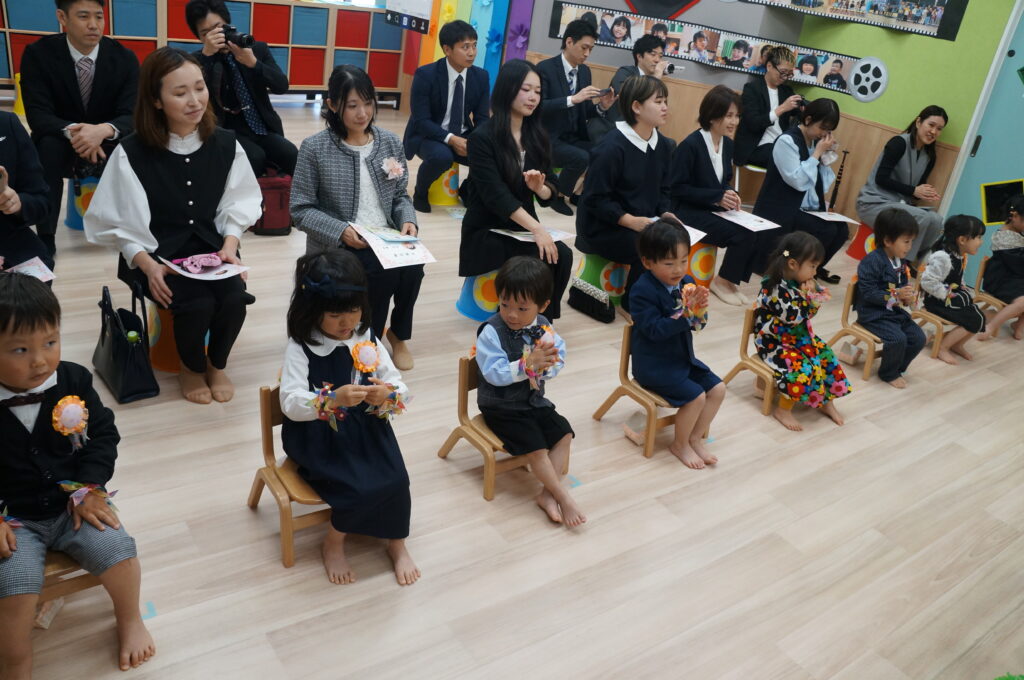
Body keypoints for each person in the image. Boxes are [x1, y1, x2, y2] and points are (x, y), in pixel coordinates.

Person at [84, 48, 262, 404]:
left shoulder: (226, 143)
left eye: (199, 88)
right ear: (156, 100)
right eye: (180, 93)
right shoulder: (132, 152)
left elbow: (239, 202)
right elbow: (116, 223)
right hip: (156, 253)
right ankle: (191, 368)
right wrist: (148, 266)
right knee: (196, 304)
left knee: (233, 299)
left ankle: (216, 364)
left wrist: (230, 247)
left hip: (213, 248)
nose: (194, 100)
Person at [0, 272, 155, 675]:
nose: (40, 360)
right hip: (13, 519)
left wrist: (89, 488)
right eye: (20, 349)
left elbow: (103, 435)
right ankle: (16, 660)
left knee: (120, 553)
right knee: (13, 591)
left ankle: (130, 619)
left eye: (50, 342)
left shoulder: (74, 379)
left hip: (74, 504)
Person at [280, 250, 419, 586]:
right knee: (357, 486)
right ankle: (334, 542)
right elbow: (290, 403)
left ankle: (397, 543)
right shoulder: (302, 346)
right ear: (312, 310)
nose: (347, 323)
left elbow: (398, 384)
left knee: (397, 480)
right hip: (318, 435)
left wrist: (387, 393)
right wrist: (331, 399)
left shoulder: (366, 337)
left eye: (354, 311)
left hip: (367, 427)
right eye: (335, 315)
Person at [291, 66, 421, 371]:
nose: (362, 113)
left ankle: (398, 335)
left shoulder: (389, 142)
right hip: (340, 243)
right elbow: (300, 209)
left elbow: (400, 195)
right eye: (352, 105)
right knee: (380, 272)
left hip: (385, 234)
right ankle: (370, 340)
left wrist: (408, 220)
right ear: (333, 105)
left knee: (413, 268)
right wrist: (341, 231)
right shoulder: (315, 148)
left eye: (368, 103)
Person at [20, 0, 139, 259]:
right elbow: (38, 115)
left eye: (99, 16)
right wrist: (80, 133)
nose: (94, 25)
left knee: (139, 146)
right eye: (84, 16)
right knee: (46, 148)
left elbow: (131, 114)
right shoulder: (38, 54)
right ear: (62, 17)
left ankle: (134, 229)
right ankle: (46, 236)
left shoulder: (125, 58)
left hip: (108, 139)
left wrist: (102, 131)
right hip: (62, 137)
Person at [474, 256, 585, 527]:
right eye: (505, 304)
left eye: (522, 308)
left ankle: (546, 495)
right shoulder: (491, 332)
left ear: (542, 305)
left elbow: (558, 356)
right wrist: (526, 366)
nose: (512, 314)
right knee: (537, 449)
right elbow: (494, 374)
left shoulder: (543, 325)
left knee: (564, 434)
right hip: (501, 407)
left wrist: (546, 367)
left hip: (533, 401)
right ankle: (563, 496)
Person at [460, 60, 573, 319]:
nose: (533, 97)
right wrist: (538, 229)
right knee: (539, 255)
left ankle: (543, 320)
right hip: (487, 228)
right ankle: (519, 318)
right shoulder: (482, 138)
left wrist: (540, 188)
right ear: (507, 89)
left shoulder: (537, 136)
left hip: (520, 227)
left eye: (538, 91)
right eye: (526, 89)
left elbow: (552, 188)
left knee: (562, 255)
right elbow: (496, 196)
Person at [629, 221, 725, 469]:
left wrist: (699, 312)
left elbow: (698, 324)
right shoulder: (641, 291)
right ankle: (679, 444)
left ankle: (694, 439)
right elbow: (653, 331)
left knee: (718, 389)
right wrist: (685, 315)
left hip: (682, 358)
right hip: (654, 366)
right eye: (669, 263)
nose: (679, 269)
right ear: (647, 262)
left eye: (684, 260)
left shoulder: (687, 282)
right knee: (696, 397)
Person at [576, 76, 675, 312]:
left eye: (665, 101)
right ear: (636, 107)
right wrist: (629, 221)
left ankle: (661, 296)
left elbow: (664, 189)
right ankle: (633, 304)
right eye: (658, 102)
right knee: (649, 246)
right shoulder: (611, 147)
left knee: (675, 239)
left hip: (644, 222)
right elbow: (595, 200)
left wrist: (665, 212)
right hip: (604, 225)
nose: (665, 107)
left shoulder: (665, 145)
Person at [671, 85, 761, 305]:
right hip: (687, 212)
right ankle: (721, 281)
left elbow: (723, 181)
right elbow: (677, 188)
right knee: (741, 235)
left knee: (755, 230)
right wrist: (716, 197)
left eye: (737, 116)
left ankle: (730, 281)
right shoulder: (691, 145)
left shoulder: (727, 144)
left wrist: (731, 194)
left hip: (709, 207)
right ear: (712, 116)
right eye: (729, 116)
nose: (734, 122)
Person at [185, 0, 297, 177]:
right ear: (199, 38)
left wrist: (253, 64)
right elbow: (192, 94)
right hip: (226, 130)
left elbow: (281, 86)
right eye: (206, 33)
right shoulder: (196, 61)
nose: (216, 36)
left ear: (229, 25)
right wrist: (206, 58)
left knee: (290, 153)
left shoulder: (255, 49)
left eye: (218, 28)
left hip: (262, 128)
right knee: (254, 158)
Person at [754, 232, 851, 431]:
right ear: (792, 264)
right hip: (773, 342)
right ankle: (783, 409)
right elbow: (793, 317)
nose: (815, 272)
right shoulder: (773, 288)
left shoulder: (798, 282)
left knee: (826, 355)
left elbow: (807, 315)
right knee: (802, 368)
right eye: (812, 266)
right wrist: (810, 298)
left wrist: (811, 297)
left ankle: (827, 401)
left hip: (796, 338)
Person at [752, 98, 848, 285]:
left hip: (804, 207)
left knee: (841, 230)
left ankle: (811, 268)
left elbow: (821, 186)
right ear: (808, 119)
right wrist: (817, 154)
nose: (824, 134)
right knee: (826, 229)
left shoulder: (813, 143)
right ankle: (794, 270)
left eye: (829, 131)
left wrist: (825, 157)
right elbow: (797, 181)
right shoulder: (787, 140)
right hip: (782, 208)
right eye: (822, 128)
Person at [403, 20, 490, 214]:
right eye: (465, 47)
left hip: (462, 132)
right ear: (447, 49)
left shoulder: (481, 77)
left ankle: (467, 190)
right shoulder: (425, 75)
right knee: (442, 156)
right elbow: (421, 120)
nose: (472, 52)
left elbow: (483, 118)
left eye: (474, 45)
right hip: (428, 134)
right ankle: (421, 192)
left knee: (492, 151)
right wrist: (451, 139)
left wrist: (476, 141)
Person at [537, 20, 616, 214]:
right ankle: (557, 195)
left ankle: (579, 193)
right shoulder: (545, 68)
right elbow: (539, 107)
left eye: (591, 49)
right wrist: (572, 99)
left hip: (573, 136)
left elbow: (585, 109)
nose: (587, 54)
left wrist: (602, 107)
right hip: (547, 138)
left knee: (603, 152)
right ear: (569, 42)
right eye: (584, 47)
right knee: (580, 157)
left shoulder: (585, 72)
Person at [856, 105, 947, 265]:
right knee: (922, 217)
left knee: (936, 220)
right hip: (873, 203)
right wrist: (914, 190)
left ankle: (912, 261)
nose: (934, 131)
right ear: (918, 122)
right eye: (931, 125)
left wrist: (925, 192)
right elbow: (881, 179)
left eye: (939, 129)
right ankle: (902, 263)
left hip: (900, 206)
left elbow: (915, 192)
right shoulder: (898, 143)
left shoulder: (930, 156)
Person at [854, 208, 926, 388]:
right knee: (897, 339)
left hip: (892, 312)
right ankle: (888, 374)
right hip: (872, 314)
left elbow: (901, 285)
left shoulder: (900, 261)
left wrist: (907, 296)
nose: (910, 246)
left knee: (919, 338)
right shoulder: (872, 261)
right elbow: (868, 293)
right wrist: (896, 295)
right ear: (887, 241)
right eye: (906, 241)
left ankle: (897, 367)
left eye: (911, 241)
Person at [919, 214, 986, 364]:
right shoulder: (942, 257)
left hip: (949, 299)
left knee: (979, 317)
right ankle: (942, 348)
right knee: (972, 320)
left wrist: (961, 285)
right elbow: (927, 281)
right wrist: (945, 293)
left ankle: (957, 344)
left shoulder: (959, 255)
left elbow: (956, 276)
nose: (980, 242)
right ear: (962, 240)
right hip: (937, 301)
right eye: (978, 237)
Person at [589, 34, 670, 138]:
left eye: (660, 56)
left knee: (668, 143)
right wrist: (656, 78)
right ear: (639, 56)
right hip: (615, 128)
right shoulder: (625, 72)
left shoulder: (655, 81)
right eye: (653, 54)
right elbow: (628, 97)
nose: (657, 60)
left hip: (640, 132)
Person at [0, 113, 52, 272]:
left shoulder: (7, 124)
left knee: (37, 274)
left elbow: (41, 201)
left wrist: (18, 203)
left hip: (6, 235)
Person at [734, 46, 801, 167]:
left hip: (779, 144)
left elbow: (798, 112)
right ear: (769, 66)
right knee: (788, 158)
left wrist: (804, 109)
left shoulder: (786, 91)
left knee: (802, 154)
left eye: (789, 74)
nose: (785, 78)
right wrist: (782, 108)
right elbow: (753, 123)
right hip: (755, 147)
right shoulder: (752, 89)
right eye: (782, 72)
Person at [981, 195, 1024, 340]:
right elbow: (1018, 265)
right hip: (1001, 280)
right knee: (1022, 302)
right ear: (1014, 216)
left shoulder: (1018, 232)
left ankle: (1019, 325)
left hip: (1015, 278)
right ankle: (990, 327)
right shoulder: (1004, 237)